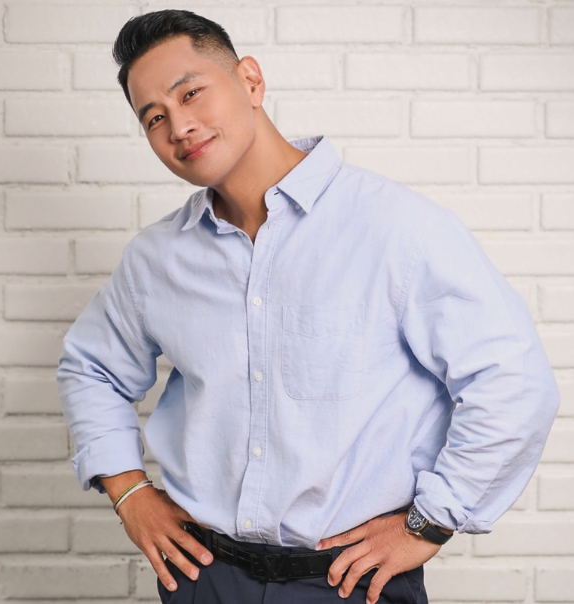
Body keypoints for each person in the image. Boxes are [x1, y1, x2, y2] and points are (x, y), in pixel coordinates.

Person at [57, 9, 560, 604]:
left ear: (250, 80)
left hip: (349, 581)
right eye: (155, 118)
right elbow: (90, 369)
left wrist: (429, 523)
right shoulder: (156, 258)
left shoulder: (395, 227)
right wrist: (130, 493)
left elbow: (512, 381)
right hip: (202, 577)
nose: (180, 127)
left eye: (190, 93)